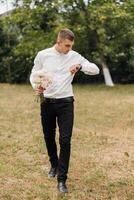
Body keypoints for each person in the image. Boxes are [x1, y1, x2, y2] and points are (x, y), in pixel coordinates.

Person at [30, 28, 99, 193]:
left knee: (65, 140)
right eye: (67, 45)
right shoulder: (43, 55)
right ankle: (54, 164)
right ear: (58, 42)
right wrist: (36, 86)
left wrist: (81, 66)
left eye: (71, 45)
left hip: (66, 102)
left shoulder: (74, 56)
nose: (69, 48)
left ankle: (62, 179)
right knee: (48, 136)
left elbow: (95, 69)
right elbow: (34, 74)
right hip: (46, 101)